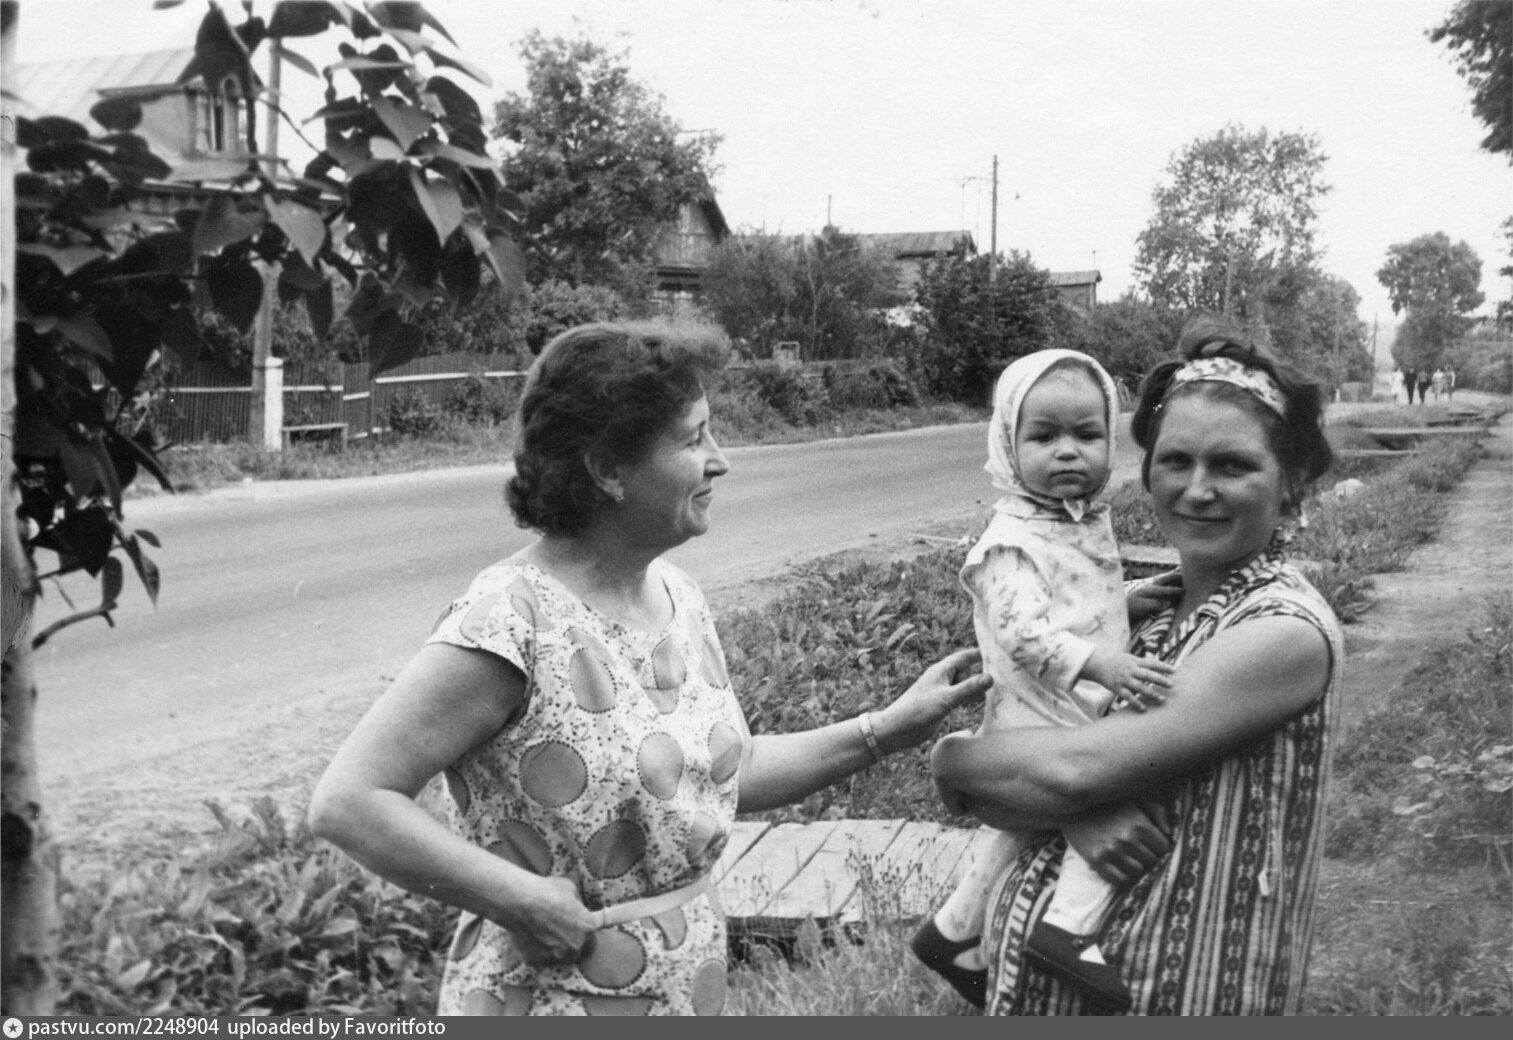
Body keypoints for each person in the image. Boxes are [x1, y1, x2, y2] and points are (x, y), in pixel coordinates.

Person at [307, 321, 990, 1017]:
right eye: (693, 440)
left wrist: (886, 729)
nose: (721, 461)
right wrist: (518, 900)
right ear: (608, 469)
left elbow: (718, 776)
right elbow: (349, 801)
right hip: (550, 997)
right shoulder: (509, 622)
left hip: (682, 988)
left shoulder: (675, 595)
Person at [930, 314, 1344, 1015]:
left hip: (1183, 991)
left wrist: (951, 760)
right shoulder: (1142, 619)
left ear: (1290, 482)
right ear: (1147, 471)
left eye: (1233, 465)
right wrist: (1057, 805)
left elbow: (1070, 770)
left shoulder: (1282, 630)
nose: (1197, 489)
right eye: (1176, 461)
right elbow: (1022, 787)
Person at [909, 350, 1179, 1011]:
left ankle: (953, 930)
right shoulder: (1011, 541)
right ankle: (1068, 929)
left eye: (1086, 435)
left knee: (1023, 829)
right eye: (1043, 436)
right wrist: (1105, 663)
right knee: (1112, 785)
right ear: (1008, 443)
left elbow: (1070, 604)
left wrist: (1127, 601)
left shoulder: (1069, 521)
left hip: (1059, 706)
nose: (1067, 452)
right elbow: (1024, 635)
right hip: (1039, 716)